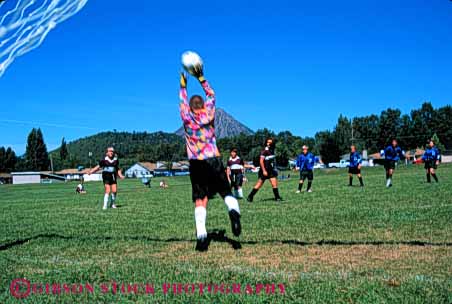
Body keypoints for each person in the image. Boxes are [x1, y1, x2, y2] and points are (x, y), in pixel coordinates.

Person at [179, 66, 241, 252]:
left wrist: (183, 85)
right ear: (203, 105)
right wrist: (201, 77)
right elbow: (212, 94)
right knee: (226, 193)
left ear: (190, 107)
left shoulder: (186, 116)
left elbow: (181, 100)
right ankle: (233, 213)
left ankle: (201, 237)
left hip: (196, 163)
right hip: (213, 159)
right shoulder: (210, 113)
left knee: (200, 199)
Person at [247, 138, 283, 202]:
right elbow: (261, 161)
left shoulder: (272, 150)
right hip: (264, 170)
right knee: (259, 184)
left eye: (270, 142)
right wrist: (264, 170)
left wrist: (274, 168)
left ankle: (277, 197)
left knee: (274, 183)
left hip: (271, 170)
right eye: (267, 142)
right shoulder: (264, 151)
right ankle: (250, 196)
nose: (269, 143)